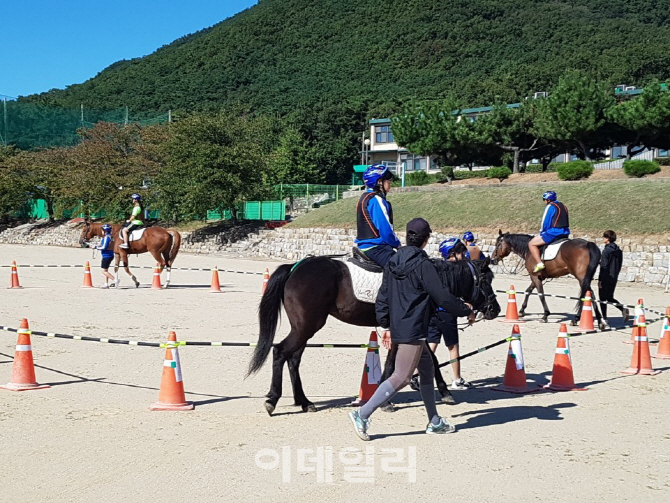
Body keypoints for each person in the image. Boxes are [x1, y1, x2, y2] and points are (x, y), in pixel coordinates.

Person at [348, 218, 475, 441]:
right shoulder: (423, 265)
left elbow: (383, 296)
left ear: (407, 237)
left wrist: (385, 324)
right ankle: (362, 414)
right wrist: (464, 309)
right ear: (426, 240)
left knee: (426, 371)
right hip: (413, 328)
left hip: (400, 325)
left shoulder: (392, 261)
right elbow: (442, 295)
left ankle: (434, 421)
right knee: (402, 376)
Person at [425, 237, 472, 390]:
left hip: (433, 312)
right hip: (447, 313)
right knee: (453, 347)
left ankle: (418, 375)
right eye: (460, 253)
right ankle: (457, 379)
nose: (463, 256)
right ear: (453, 254)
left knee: (431, 345)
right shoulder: (455, 271)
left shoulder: (437, 268)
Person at [354, 164, 401, 267]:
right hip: (376, 247)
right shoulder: (377, 200)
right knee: (401, 269)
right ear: (379, 182)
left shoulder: (364, 197)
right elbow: (385, 229)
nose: (390, 186)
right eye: (388, 182)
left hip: (364, 246)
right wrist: (397, 244)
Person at [528, 191, 570, 273]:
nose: (544, 201)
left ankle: (539, 263)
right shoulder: (563, 206)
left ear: (547, 200)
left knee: (531, 244)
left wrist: (542, 232)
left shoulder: (550, 206)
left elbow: (545, 221)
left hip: (553, 232)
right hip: (565, 232)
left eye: (544, 199)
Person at [598, 230, 629, 325]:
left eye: (604, 237)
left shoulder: (606, 251)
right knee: (610, 297)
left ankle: (604, 318)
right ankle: (622, 308)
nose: (603, 239)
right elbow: (619, 264)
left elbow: (604, 266)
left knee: (602, 299)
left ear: (607, 239)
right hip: (614, 277)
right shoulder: (618, 251)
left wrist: (600, 280)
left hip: (606, 277)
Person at [96, 224, 116, 288]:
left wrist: (96, 247)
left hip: (106, 256)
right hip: (110, 255)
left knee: (103, 271)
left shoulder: (106, 237)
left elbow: (104, 247)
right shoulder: (111, 237)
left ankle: (115, 280)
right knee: (106, 270)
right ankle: (106, 284)